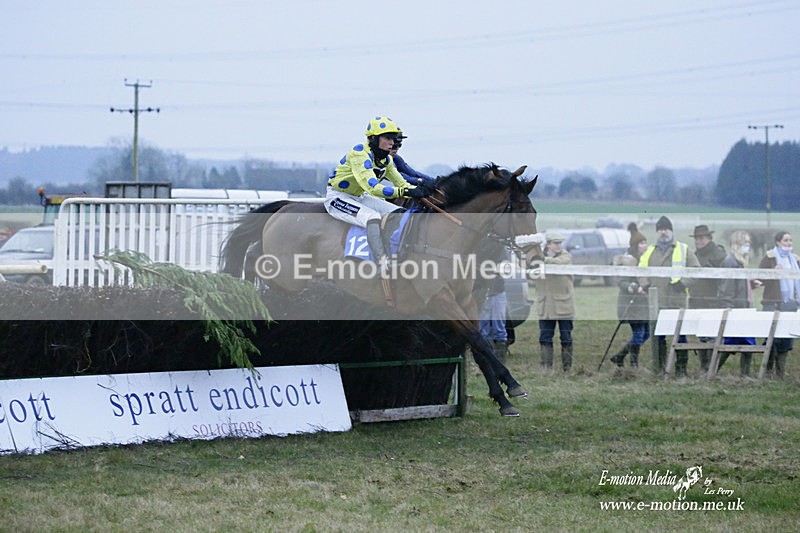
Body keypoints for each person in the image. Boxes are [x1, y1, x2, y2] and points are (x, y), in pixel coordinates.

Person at [325, 116, 428, 271]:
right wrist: (406, 191)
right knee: (372, 217)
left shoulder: (386, 160)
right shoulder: (359, 153)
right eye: (387, 138)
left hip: (360, 197)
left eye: (393, 139)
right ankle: (381, 263)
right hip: (338, 197)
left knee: (400, 213)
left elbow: (402, 184)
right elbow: (372, 188)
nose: (392, 143)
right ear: (373, 138)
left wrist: (422, 193)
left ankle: (395, 253)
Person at [638, 216, 701, 375]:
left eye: (666, 229)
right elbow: (641, 270)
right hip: (656, 302)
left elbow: (696, 270)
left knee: (680, 336)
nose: (663, 232)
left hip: (676, 301)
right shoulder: (649, 251)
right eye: (660, 229)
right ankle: (659, 369)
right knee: (658, 337)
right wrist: (644, 283)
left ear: (671, 231)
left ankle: (681, 370)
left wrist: (682, 283)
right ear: (657, 231)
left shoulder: (684, 249)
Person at [717, 231, 762, 376]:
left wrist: (751, 284)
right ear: (737, 244)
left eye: (749, 243)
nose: (748, 246)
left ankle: (745, 374)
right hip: (736, 310)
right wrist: (728, 307)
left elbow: (739, 285)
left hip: (744, 308)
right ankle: (714, 371)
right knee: (731, 344)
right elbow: (727, 287)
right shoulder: (731, 262)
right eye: (745, 243)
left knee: (747, 343)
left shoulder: (741, 262)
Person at [758, 231, 800, 378]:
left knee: (786, 339)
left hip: (790, 303)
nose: (789, 243)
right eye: (786, 240)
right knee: (771, 337)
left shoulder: (795, 260)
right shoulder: (770, 257)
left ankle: (781, 371)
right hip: (772, 302)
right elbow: (759, 279)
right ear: (777, 242)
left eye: (790, 240)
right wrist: (772, 273)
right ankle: (768, 370)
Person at [688, 224, 727, 371]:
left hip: (713, 302)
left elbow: (725, 278)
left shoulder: (719, 254)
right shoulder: (695, 255)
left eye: (702, 238)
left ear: (709, 238)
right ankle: (704, 367)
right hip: (697, 301)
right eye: (697, 238)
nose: (699, 241)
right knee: (702, 337)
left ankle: (711, 368)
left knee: (712, 337)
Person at [610, 225, 650, 368]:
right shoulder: (628, 261)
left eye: (645, 242)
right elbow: (622, 282)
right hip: (631, 304)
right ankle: (633, 364)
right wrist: (635, 288)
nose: (644, 246)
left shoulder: (645, 260)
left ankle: (620, 357)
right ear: (635, 246)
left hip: (643, 305)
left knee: (646, 334)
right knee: (639, 334)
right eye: (641, 243)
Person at [536, 232, 575, 372]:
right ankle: (546, 367)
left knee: (566, 337)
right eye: (555, 243)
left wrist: (541, 260)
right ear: (548, 244)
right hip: (545, 305)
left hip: (563, 305)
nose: (558, 246)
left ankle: (567, 367)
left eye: (559, 243)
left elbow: (561, 262)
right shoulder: (537, 256)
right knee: (545, 337)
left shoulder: (566, 256)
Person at [477, 239, 509, 363]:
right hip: (483, 292)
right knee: (483, 329)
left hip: (498, 291)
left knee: (499, 327)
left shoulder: (502, 250)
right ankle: (487, 360)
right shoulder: (481, 248)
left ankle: (500, 361)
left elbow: (505, 268)